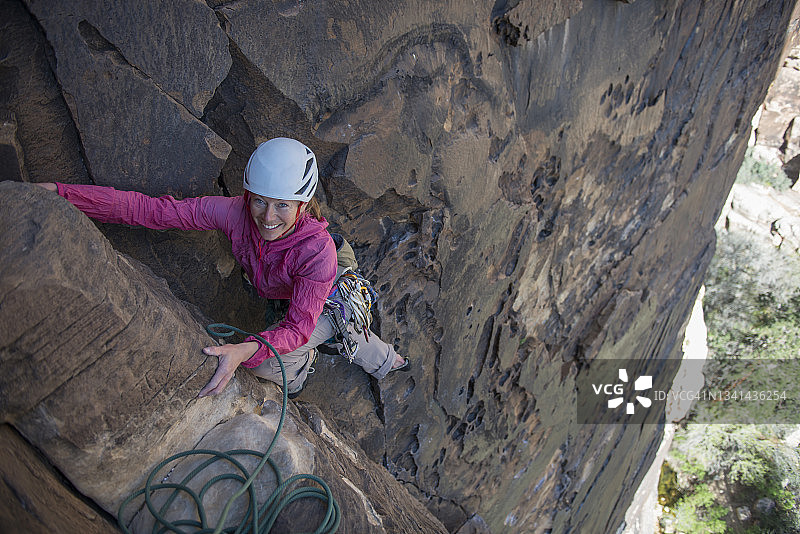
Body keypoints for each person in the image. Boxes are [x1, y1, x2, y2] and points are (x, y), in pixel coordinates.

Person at [36, 137, 409, 399]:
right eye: (259, 201)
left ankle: (375, 363)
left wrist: (245, 351)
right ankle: (344, 355)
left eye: (282, 205)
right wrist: (64, 194)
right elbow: (153, 211)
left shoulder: (317, 252)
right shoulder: (233, 212)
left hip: (331, 286)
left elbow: (297, 328)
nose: (267, 217)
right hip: (285, 283)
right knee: (281, 339)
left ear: (302, 204)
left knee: (321, 339)